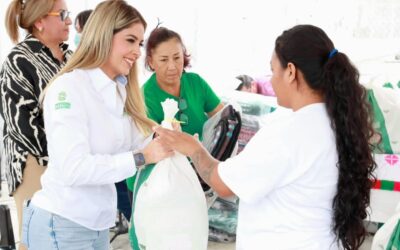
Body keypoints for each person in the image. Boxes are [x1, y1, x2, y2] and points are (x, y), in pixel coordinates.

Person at [155, 24, 377, 250]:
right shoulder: (338, 123)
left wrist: (193, 148)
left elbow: (223, 184)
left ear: (290, 71)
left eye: (273, 70)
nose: (270, 80)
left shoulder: (287, 133)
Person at [21, 1, 172, 249]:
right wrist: (141, 157)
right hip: (62, 224)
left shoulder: (118, 90)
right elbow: (74, 168)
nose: (137, 51)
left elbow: (136, 141)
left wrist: (166, 138)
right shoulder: (69, 89)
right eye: (130, 40)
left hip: (97, 225)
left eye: (140, 43)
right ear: (104, 36)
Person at [0, 0, 72, 248]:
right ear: (40, 21)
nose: (69, 21)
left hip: (71, 160)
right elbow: (21, 124)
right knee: (38, 240)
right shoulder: (18, 60)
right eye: (62, 15)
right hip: (35, 161)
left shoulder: (71, 57)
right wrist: (65, 152)